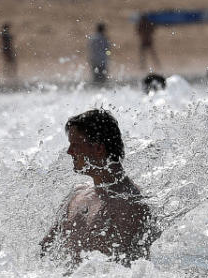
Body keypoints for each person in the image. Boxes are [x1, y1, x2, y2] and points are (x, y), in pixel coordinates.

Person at [41, 110, 157, 267]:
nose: (69, 152)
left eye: (75, 145)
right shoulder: (77, 195)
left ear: (98, 149)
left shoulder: (129, 205)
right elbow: (43, 251)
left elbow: (129, 273)